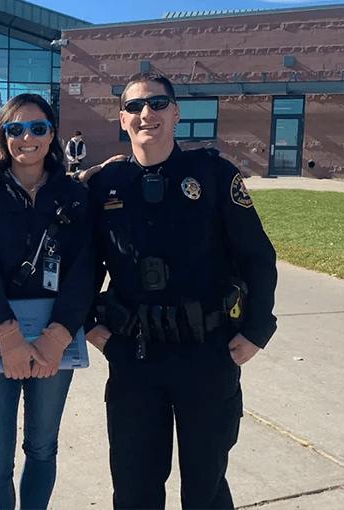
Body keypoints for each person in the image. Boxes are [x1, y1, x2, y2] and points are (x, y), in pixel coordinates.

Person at [85, 72, 278, 510]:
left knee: (206, 487)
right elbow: (86, 264)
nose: (145, 114)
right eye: (134, 106)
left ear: (175, 112)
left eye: (156, 104)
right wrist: (89, 326)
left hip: (207, 354)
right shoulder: (104, 187)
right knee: (134, 486)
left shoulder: (212, 175)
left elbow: (256, 257)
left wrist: (256, 330)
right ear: (122, 119)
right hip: (134, 357)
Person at [0, 94, 93, 510]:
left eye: (38, 128)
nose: (27, 138)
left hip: (56, 333)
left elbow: (86, 268)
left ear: (52, 134)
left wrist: (57, 336)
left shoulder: (74, 194)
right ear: (3, 134)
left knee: (41, 448)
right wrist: (9, 335)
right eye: (15, 128)